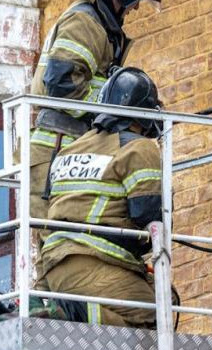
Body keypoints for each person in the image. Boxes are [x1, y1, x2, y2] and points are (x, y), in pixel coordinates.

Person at [28, 0, 163, 237]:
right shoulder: (85, 21)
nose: (136, 8)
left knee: (73, 240)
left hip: (70, 144)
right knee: (56, 241)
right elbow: (62, 85)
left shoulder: (100, 25)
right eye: (137, 0)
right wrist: (116, 107)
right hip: (56, 146)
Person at [38, 67, 165, 327]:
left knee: (155, 291)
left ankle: (60, 310)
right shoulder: (138, 146)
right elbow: (148, 214)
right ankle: (71, 315)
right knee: (155, 315)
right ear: (144, 115)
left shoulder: (69, 150)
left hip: (54, 268)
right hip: (95, 262)